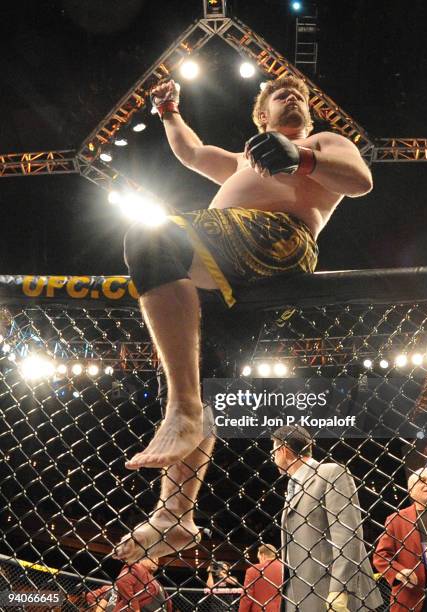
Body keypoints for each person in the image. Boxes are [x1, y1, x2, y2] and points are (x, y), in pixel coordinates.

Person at [115, 75, 373, 563]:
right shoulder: (240, 160)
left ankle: (182, 408)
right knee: (207, 376)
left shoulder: (321, 142)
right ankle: (176, 516)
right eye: (280, 95)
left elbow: (361, 181)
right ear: (261, 116)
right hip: (222, 275)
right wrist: (169, 112)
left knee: (152, 238)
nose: (292, 97)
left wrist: (304, 158)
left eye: (298, 95)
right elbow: (191, 153)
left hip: (279, 242)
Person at [271, 425, 382, 611]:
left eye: (273, 451)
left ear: (283, 450)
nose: (273, 457)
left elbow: (347, 533)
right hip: (301, 596)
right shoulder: (293, 487)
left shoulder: (330, 473)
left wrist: (339, 589)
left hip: (331, 593)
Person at [373, 467, 427, 611]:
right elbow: (381, 556)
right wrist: (399, 572)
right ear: (410, 490)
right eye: (421, 481)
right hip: (414, 598)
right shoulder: (397, 520)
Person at [86, 558, 171, 612]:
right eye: (153, 556)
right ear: (141, 559)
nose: (156, 560)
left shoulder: (153, 581)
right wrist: (135, 609)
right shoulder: (137, 568)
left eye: (157, 558)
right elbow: (121, 583)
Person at [239, 544, 283, 612]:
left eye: (259, 558)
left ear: (262, 555)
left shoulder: (254, 570)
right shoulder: (285, 568)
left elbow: (247, 597)